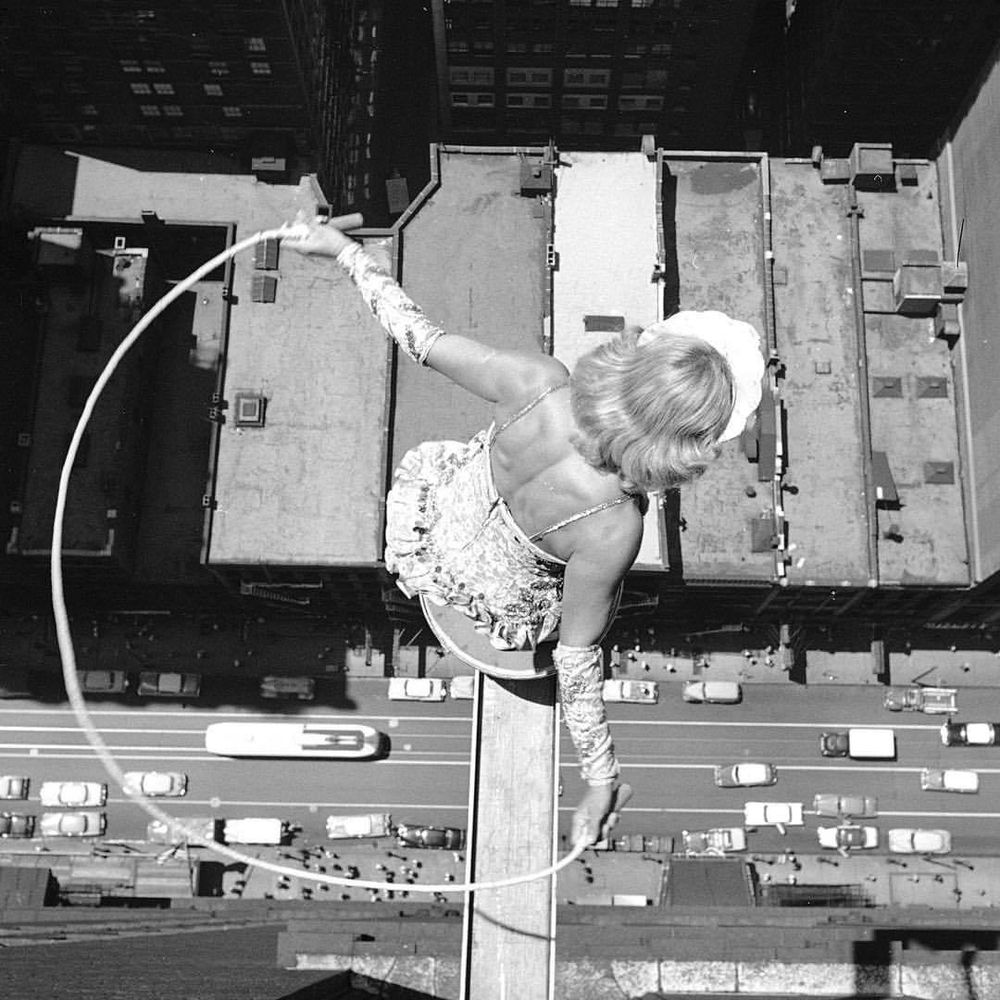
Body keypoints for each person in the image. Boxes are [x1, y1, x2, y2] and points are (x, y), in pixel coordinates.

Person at [284, 214, 765, 846]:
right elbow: (575, 659)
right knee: (598, 602)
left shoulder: (541, 382)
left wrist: (345, 251)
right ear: (685, 446)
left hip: (432, 533)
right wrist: (600, 778)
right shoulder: (614, 525)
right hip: (483, 616)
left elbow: (419, 336)